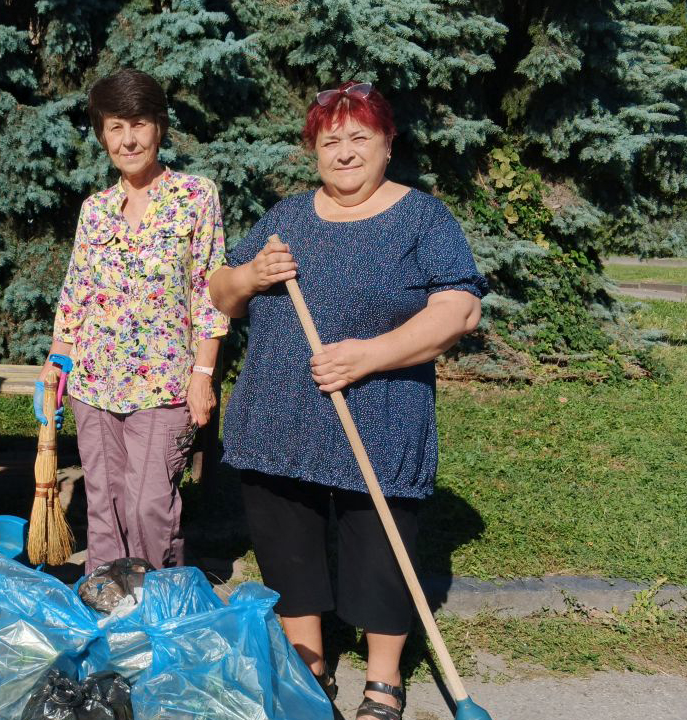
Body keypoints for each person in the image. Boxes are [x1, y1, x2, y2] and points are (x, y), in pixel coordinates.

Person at [209, 81, 487, 720]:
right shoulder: (286, 218)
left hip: (380, 416)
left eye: (359, 137)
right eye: (329, 140)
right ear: (313, 151)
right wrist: (251, 276)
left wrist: (368, 355)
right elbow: (222, 292)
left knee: (382, 549)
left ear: (387, 144)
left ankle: (384, 681)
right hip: (278, 418)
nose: (344, 152)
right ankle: (310, 667)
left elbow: (459, 311)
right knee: (288, 546)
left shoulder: (421, 217)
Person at [40, 68, 230, 573]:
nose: (128, 139)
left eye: (138, 124)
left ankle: (155, 606)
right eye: (114, 127)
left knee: (149, 504)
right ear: (102, 134)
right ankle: (107, 607)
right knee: (102, 507)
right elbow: (76, 294)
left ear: (159, 128)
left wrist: (203, 375)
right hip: (93, 383)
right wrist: (58, 363)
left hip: (166, 384)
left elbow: (209, 292)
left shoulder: (195, 197)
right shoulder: (95, 210)